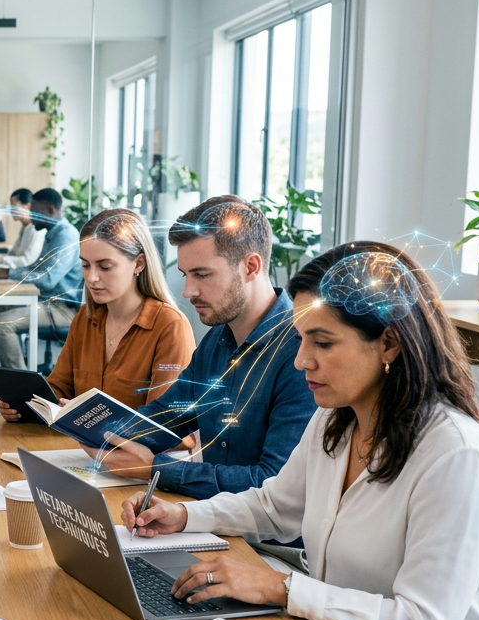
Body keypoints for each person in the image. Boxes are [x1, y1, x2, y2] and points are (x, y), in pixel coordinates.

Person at [123, 242, 479, 620]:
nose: (300, 361)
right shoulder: (336, 418)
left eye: (323, 343)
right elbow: (274, 505)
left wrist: (280, 588)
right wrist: (183, 516)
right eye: (299, 340)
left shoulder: (454, 454)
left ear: (390, 345)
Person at [97, 195, 317, 501]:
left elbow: (272, 483)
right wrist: (98, 429)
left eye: (202, 274)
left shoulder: (302, 351)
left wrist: (155, 468)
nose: (188, 291)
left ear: (251, 267)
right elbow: (166, 415)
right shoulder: (218, 339)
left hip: (266, 544)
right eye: (186, 275)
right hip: (212, 522)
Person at [0, 208, 194, 420]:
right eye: (85, 265)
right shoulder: (85, 318)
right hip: (77, 449)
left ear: (139, 263)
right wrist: (26, 405)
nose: (91, 278)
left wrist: (88, 417)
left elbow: (168, 423)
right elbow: (59, 389)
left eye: (105, 267)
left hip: (138, 453)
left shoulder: (169, 326)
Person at [0, 188, 83, 370]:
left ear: (51, 210)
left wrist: (8, 273)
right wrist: (5, 271)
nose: (31, 217)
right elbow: (35, 268)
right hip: (46, 301)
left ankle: (21, 386)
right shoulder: (53, 233)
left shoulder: (65, 235)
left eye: (35, 212)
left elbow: (47, 279)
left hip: (62, 309)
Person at [0, 188, 43, 268]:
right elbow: (13, 254)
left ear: (28, 206)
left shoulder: (36, 230)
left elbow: (27, 261)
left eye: (14, 207)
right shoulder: (25, 228)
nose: (11, 211)